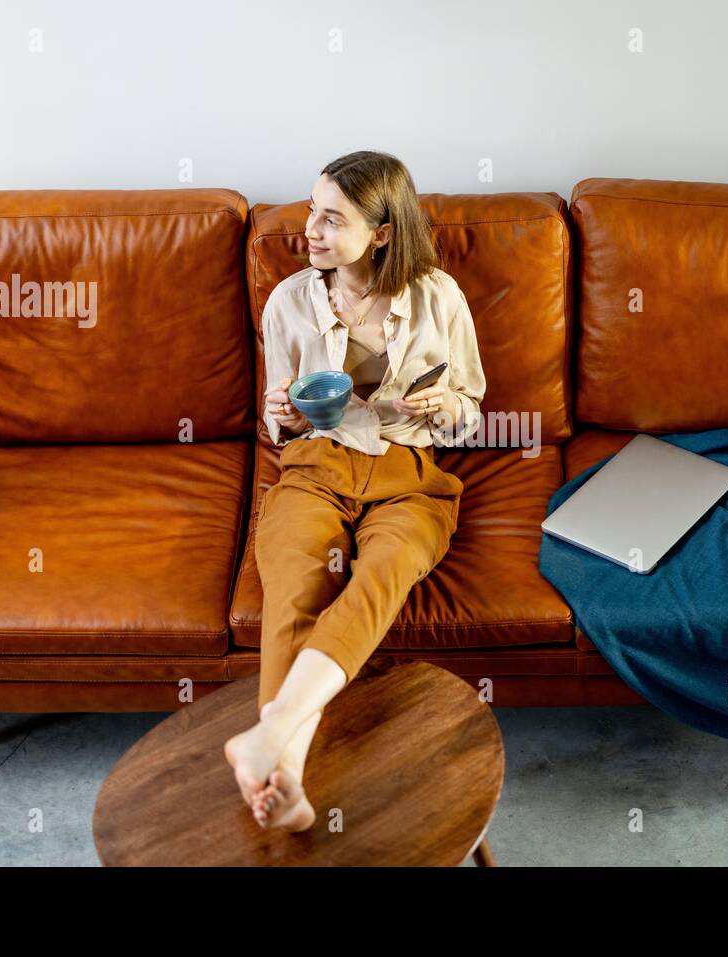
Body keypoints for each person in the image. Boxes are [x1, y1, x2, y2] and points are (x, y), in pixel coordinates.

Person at [224, 150, 487, 831]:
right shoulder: (289, 302)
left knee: (384, 572)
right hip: (315, 467)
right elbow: (275, 421)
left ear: (382, 233)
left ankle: (272, 736)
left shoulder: (439, 298)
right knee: (294, 585)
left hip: (410, 477)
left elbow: (474, 407)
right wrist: (278, 412)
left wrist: (449, 406)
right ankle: (287, 775)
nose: (310, 228)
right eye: (312, 210)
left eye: (332, 219)